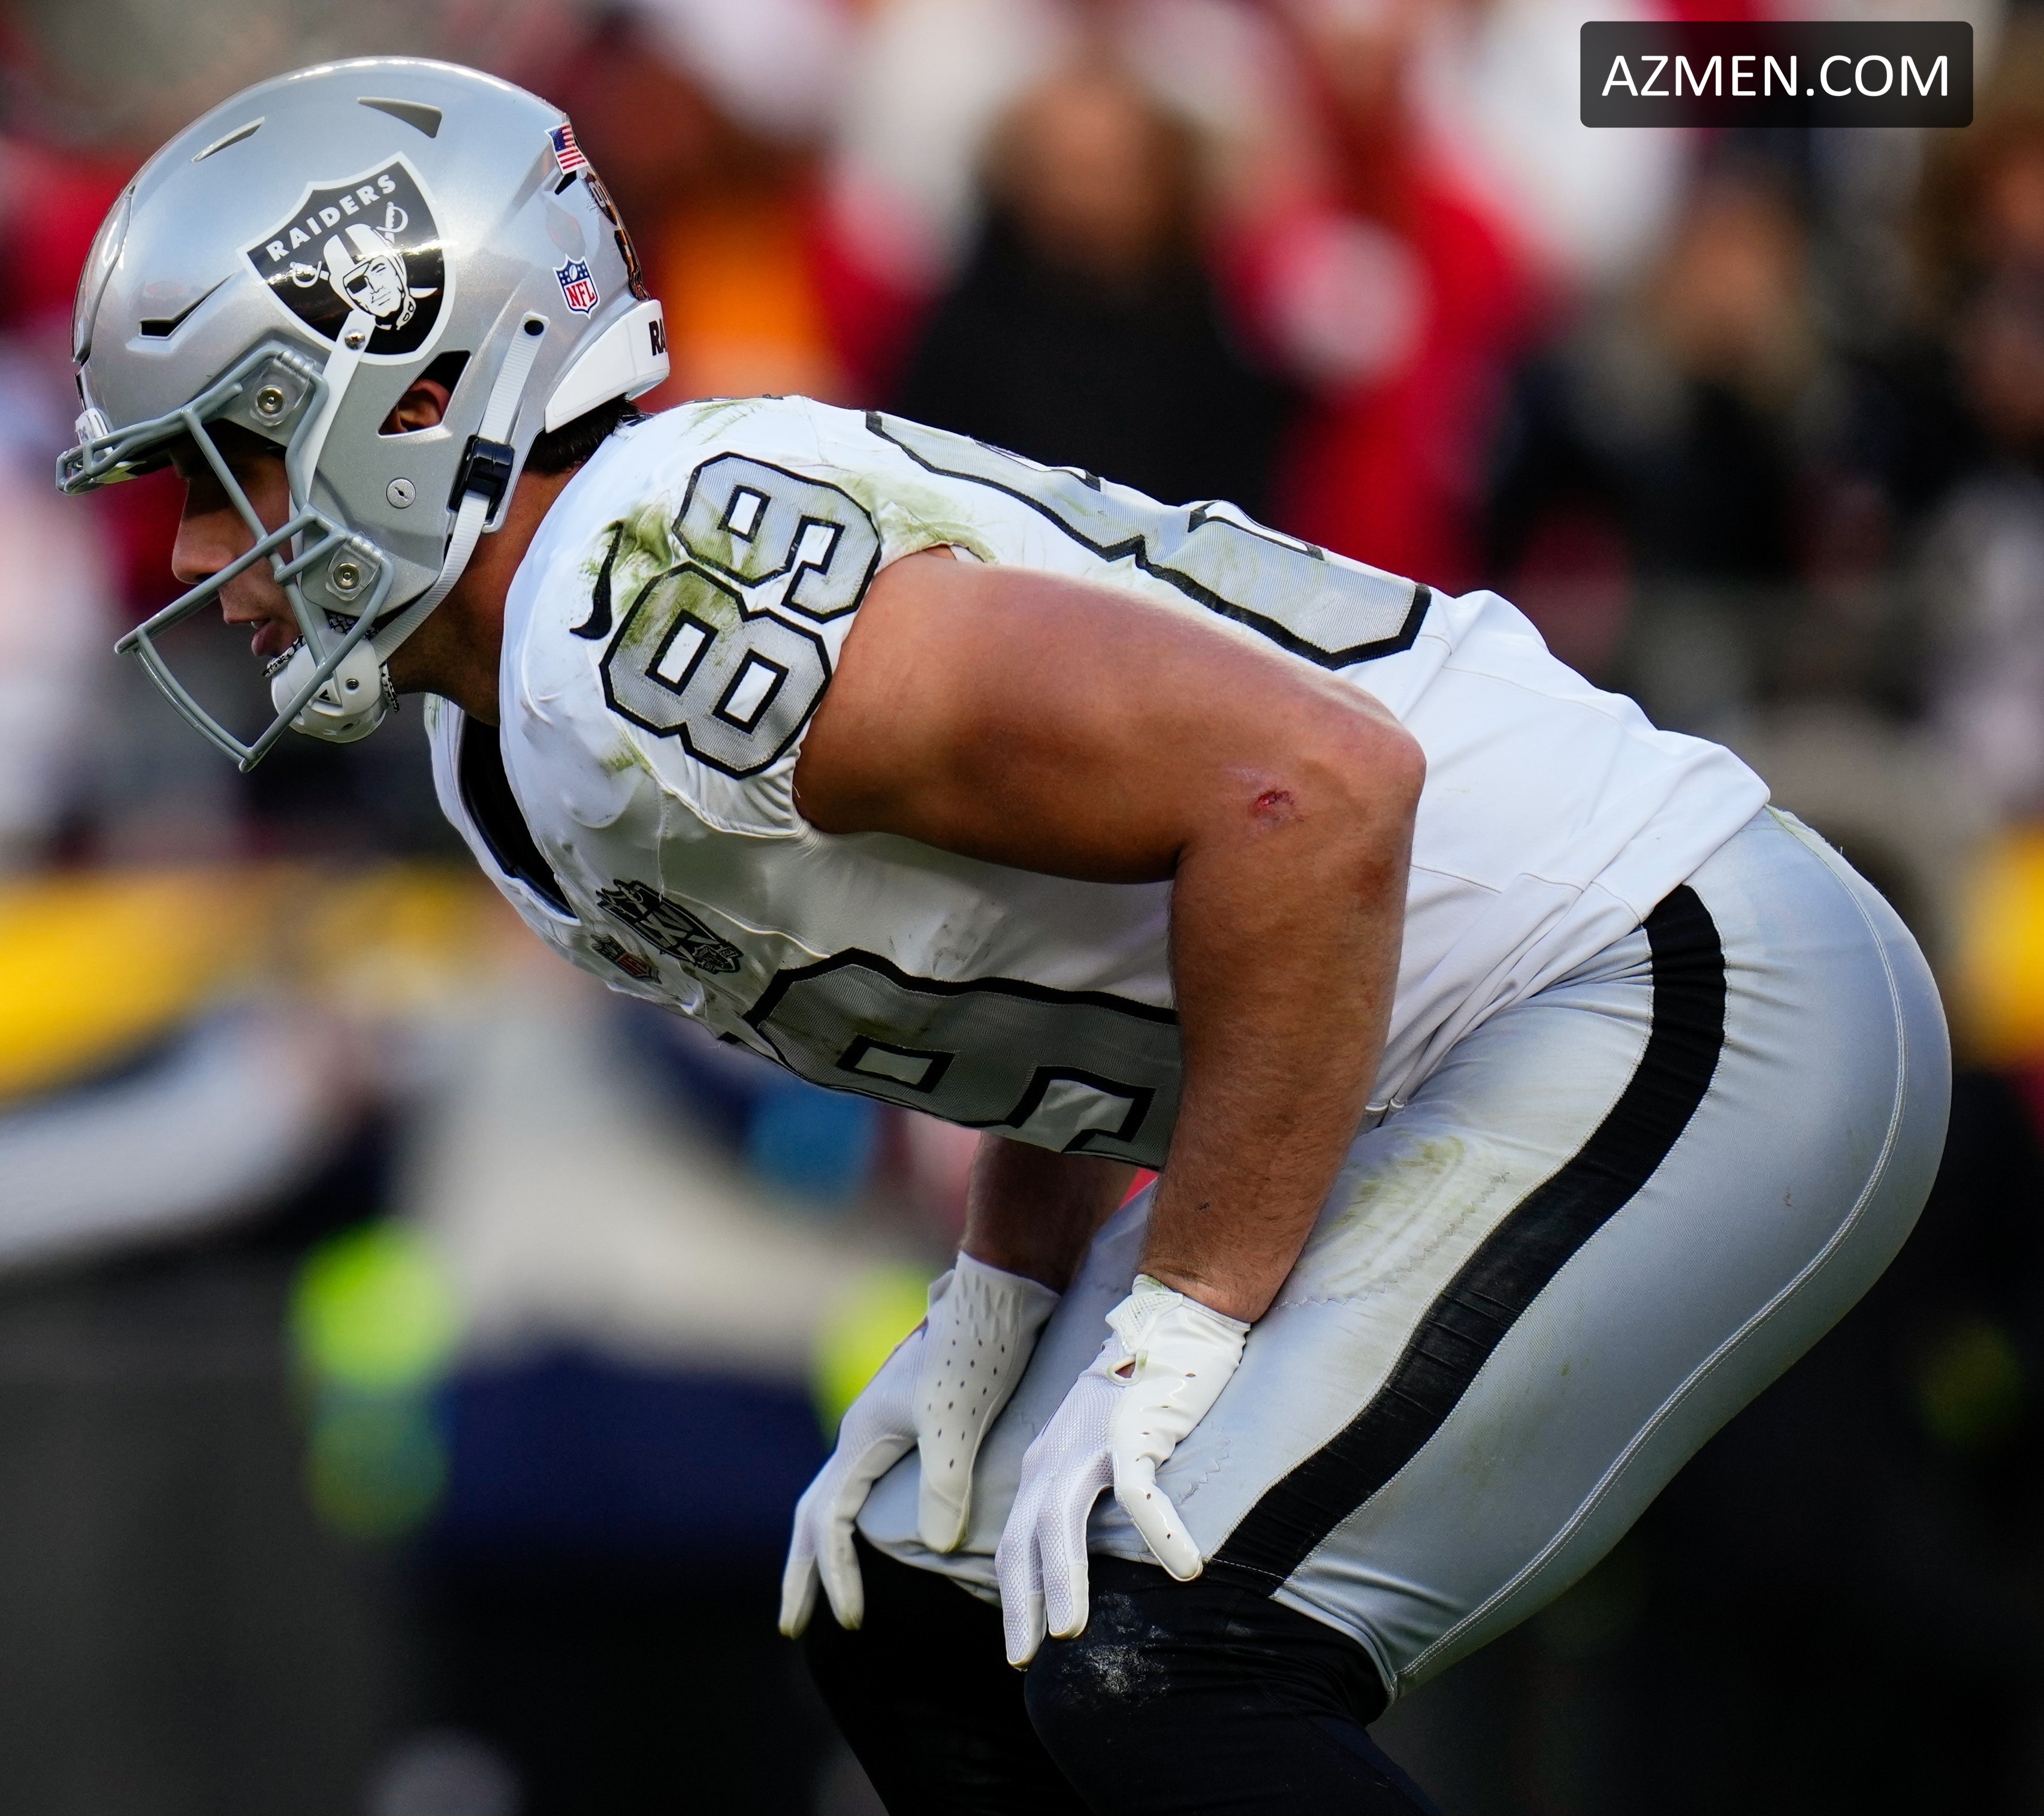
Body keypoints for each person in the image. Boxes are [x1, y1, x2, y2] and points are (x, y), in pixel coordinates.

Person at [63, 59, 1950, 1816]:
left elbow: (1303, 793)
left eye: (226, 463)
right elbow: (1058, 933)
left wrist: (1186, 1309)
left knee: (1170, 1660)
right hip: (1430, 1043)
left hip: (1651, 973)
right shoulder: (515, 721)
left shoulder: (633, 624)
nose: (194, 551)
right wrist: (1009, 1285)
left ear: (411, 404)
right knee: (920, 1622)